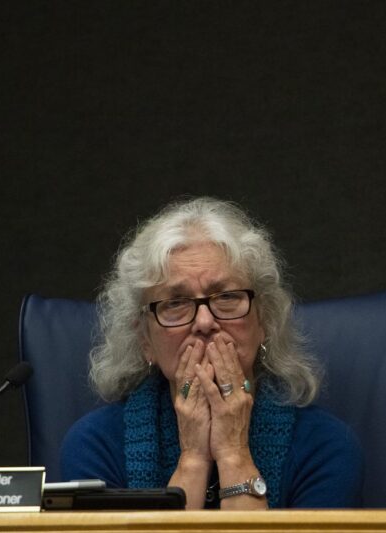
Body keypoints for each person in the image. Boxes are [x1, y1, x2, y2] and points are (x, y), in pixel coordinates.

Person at [60, 197, 363, 509]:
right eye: (175, 303)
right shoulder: (95, 443)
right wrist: (192, 460)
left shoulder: (325, 445)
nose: (205, 322)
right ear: (145, 339)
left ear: (264, 322)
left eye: (228, 297)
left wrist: (233, 452)